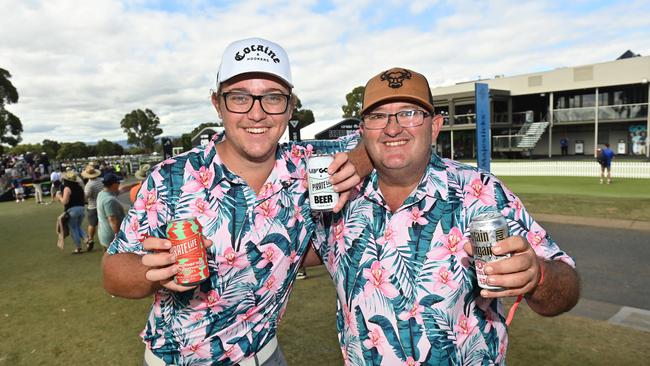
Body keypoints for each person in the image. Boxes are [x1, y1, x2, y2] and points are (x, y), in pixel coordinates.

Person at [102, 37, 369, 365]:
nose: (257, 114)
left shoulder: (309, 166)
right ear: (217, 103)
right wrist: (153, 271)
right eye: (240, 97)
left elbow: (386, 139)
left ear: (290, 106)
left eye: (272, 98)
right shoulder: (172, 176)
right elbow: (112, 271)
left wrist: (358, 161)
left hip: (266, 356)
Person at [312, 67, 580, 365]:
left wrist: (538, 276)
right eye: (378, 116)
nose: (392, 128)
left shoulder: (481, 191)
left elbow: (565, 289)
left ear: (435, 126)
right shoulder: (338, 200)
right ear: (362, 132)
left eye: (409, 113)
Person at [57, 170, 87, 254]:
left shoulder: (67, 188)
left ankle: (78, 247)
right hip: (81, 209)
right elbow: (85, 199)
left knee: (73, 229)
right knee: (78, 227)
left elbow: (65, 201)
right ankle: (87, 239)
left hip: (72, 210)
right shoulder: (79, 187)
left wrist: (59, 197)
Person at [97, 173, 126, 250]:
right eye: (118, 183)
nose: (119, 184)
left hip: (104, 234)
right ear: (113, 185)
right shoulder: (109, 200)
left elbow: (123, 189)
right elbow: (113, 221)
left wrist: (138, 184)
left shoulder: (102, 194)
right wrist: (119, 239)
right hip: (111, 237)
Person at [82, 164, 104, 251]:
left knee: (92, 224)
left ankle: (90, 239)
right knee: (102, 224)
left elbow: (86, 197)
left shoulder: (89, 185)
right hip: (102, 204)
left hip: (93, 206)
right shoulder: (101, 180)